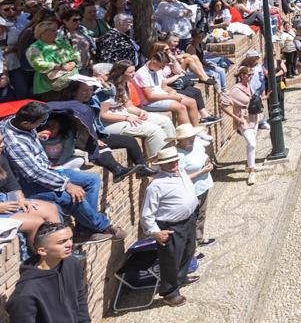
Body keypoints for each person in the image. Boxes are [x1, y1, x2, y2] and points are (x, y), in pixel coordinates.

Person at [1, 102, 125, 244]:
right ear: (26, 123)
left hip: (46, 170)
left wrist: (36, 137)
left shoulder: (16, 122)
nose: (44, 124)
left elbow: (35, 160)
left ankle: (83, 229)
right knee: (69, 196)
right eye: (41, 122)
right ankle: (102, 226)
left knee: (92, 179)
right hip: (29, 183)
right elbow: (34, 174)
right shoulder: (14, 142)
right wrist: (67, 185)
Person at [140, 146, 199, 308]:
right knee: (170, 259)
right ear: (161, 164)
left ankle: (180, 278)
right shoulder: (156, 186)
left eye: (175, 160)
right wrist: (155, 232)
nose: (173, 164)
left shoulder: (181, 173)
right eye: (168, 162)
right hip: (171, 226)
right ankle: (170, 293)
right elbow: (146, 214)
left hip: (188, 220)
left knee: (188, 252)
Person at [5, 222, 90, 323]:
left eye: (70, 238)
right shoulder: (26, 292)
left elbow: (80, 297)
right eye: (62, 242)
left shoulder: (72, 263)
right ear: (42, 251)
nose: (70, 244)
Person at [99, 60, 176, 157]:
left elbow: (129, 106)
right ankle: (160, 162)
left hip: (123, 113)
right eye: (130, 72)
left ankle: (172, 154)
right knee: (154, 130)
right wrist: (126, 118)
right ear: (121, 73)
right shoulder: (107, 88)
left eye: (134, 71)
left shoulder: (125, 84)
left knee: (165, 121)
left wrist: (140, 112)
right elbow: (103, 115)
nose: (134, 74)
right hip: (108, 123)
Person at [0, 141, 61, 251]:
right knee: (36, 222)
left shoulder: (1, 158)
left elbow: (12, 184)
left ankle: (57, 250)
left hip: (4, 200)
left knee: (51, 209)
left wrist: (20, 198)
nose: (3, 144)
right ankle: (39, 261)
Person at [168, 124, 216, 246]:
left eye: (193, 136)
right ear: (179, 140)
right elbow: (180, 178)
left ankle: (199, 238)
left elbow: (204, 157)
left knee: (202, 213)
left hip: (203, 185)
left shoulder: (197, 144)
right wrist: (202, 171)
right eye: (188, 137)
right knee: (191, 218)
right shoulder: (177, 155)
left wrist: (208, 164)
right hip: (191, 190)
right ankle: (191, 246)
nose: (192, 139)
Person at [220, 67, 262, 186]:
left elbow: (251, 100)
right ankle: (252, 172)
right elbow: (223, 106)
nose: (250, 76)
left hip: (253, 117)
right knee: (252, 143)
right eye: (248, 75)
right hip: (243, 119)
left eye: (251, 74)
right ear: (242, 75)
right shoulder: (235, 90)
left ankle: (250, 165)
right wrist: (236, 118)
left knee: (252, 144)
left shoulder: (248, 85)